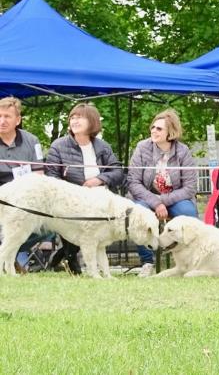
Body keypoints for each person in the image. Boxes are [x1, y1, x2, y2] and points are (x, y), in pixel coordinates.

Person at [44, 103, 125, 274]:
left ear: (92, 122)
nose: (74, 120)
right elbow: (52, 178)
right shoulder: (58, 146)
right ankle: (69, 257)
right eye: (72, 117)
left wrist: (99, 179)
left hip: (99, 200)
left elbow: (118, 173)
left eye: (80, 117)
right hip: (70, 200)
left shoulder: (103, 147)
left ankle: (66, 255)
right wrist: (74, 193)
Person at [127, 109, 198, 277]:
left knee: (188, 213)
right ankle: (147, 262)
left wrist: (163, 200)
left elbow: (190, 187)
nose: (153, 131)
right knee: (137, 214)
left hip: (175, 197)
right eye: (153, 127)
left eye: (159, 129)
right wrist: (156, 202)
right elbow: (133, 182)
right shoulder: (142, 147)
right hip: (147, 197)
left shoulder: (183, 151)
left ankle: (189, 261)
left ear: (170, 132)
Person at [0, 97, 45, 273]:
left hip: (25, 200)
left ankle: (9, 252)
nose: (2, 121)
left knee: (46, 231)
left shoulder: (32, 141)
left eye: (7, 116)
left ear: (18, 120)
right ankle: (9, 260)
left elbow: (39, 175)